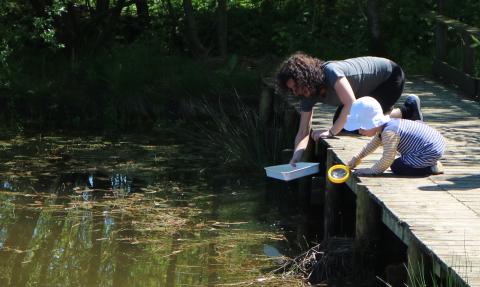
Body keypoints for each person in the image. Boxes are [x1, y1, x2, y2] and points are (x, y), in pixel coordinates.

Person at [276, 52, 422, 166]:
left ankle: (408, 110)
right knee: (344, 124)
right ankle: (393, 112)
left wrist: (331, 131)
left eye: (296, 87)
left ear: (305, 78)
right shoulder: (307, 93)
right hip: (366, 92)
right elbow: (303, 132)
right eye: (291, 90)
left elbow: (351, 104)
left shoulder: (330, 72)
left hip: (390, 78)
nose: (295, 93)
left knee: (352, 125)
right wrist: (296, 157)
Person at [344, 96, 445, 176]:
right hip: (432, 144)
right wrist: (356, 158)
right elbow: (371, 145)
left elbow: (388, 158)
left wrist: (371, 171)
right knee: (400, 162)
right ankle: (429, 162)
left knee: (397, 166)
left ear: (372, 123)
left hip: (428, 150)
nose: (359, 131)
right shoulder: (385, 126)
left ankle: (430, 167)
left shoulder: (389, 132)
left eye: (362, 127)